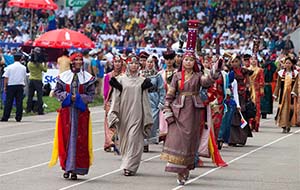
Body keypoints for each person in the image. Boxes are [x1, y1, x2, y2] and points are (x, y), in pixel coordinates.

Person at [160, 20, 222, 185]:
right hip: (178, 111)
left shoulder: (197, 77)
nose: (188, 62)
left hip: (193, 112)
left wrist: (215, 70)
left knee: (189, 141)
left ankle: (186, 169)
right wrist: (167, 111)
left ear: (195, 63)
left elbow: (207, 81)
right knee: (177, 140)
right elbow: (169, 96)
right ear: (182, 61)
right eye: (186, 60)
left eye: (191, 60)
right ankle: (178, 171)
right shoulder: (177, 77)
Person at [49, 52, 96, 180]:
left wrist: (79, 98)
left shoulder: (87, 77)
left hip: (81, 113)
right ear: (72, 62)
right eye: (77, 60)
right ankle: (66, 167)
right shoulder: (64, 77)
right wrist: (69, 97)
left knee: (80, 140)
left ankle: (76, 169)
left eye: (81, 60)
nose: (79, 62)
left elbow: (91, 95)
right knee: (65, 139)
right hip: (67, 113)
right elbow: (57, 91)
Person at [108, 54, 153, 176]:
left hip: (137, 113)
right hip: (124, 113)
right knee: (125, 141)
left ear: (139, 65)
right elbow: (116, 98)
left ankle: (130, 166)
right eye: (131, 63)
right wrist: (113, 114)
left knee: (134, 139)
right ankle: (127, 162)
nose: (134, 65)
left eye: (136, 63)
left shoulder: (143, 81)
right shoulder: (120, 80)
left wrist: (147, 116)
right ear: (127, 64)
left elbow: (145, 100)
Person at [140, 55, 165, 152]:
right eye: (148, 62)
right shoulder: (140, 74)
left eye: (151, 62)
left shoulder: (157, 75)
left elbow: (161, 89)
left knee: (152, 121)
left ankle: (148, 140)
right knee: (142, 120)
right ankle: (142, 142)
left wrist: (161, 101)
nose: (149, 64)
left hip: (154, 99)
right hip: (143, 98)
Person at [103, 55, 124, 153]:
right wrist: (106, 102)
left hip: (122, 101)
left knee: (120, 122)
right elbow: (106, 92)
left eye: (119, 62)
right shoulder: (108, 76)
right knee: (109, 122)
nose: (117, 64)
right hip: (110, 101)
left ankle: (119, 142)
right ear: (113, 63)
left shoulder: (125, 76)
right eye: (116, 62)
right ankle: (110, 142)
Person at [1, 53, 26, 122]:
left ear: (13, 59)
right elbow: (24, 77)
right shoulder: (23, 67)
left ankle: (5, 116)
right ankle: (18, 117)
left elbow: (6, 77)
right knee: (19, 102)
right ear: (21, 59)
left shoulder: (9, 67)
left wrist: (5, 86)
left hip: (11, 85)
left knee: (9, 102)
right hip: (20, 85)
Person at [275, 56, 298, 133]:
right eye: (286, 63)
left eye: (289, 63)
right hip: (283, 94)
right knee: (282, 109)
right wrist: (276, 94)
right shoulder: (281, 73)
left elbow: (296, 84)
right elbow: (278, 85)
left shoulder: (295, 73)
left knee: (290, 109)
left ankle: (288, 124)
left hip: (291, 95)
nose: (287, 65)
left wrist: (294, 92)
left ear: (292, 64)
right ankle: (283, 125)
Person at [158, 49, 177, 142]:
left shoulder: (178, 73)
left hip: (175, 101)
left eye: (171, 59)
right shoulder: (160, 74)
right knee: (163, 121)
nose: (169, 61)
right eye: (167, 59)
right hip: (164, 101)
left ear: (174, 59)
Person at [26, 47, 48, 115]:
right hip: (38, 80)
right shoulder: (39, 64)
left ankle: (28, 109)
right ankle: (40, 110)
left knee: (30, 95)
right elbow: (45, 70)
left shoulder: (29, 63)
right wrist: (45, 63)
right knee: (39, 96)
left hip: (31, 79)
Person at [248, 55, 265, 132]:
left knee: (256, 107)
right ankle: (250, 123)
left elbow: (261, 80)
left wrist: (261, 89)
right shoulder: (247, 69)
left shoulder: (260, 70)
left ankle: (256, 123)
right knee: (249, 106)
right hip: (248, 90)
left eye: (255, 59)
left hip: (256, 90)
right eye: (252, 59)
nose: (253, 61)